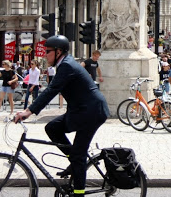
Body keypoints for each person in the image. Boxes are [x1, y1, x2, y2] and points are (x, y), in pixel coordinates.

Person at [14, 35, 109, 196]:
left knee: (79, 156)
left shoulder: (67, 66)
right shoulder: (64, 64)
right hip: (80, 111)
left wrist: (28, 111)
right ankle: (73, 160)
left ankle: (78, 193)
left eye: (48, 51)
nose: (45, 55)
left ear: (59, 52)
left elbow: (51, 90)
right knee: (52, 128)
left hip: (92, 112)